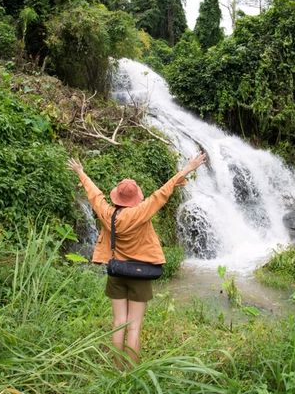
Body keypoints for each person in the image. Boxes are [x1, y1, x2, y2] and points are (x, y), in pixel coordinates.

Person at [67, 152, 207, 365]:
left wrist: (81, 173)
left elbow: (95, 196)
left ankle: (117, 367)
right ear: (136, 198)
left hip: (116, 272)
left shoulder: (107, 213)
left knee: (118, 323)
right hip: (140, 273)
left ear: (116, 197)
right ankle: (132, 372)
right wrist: (188, 168)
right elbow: (163, 193)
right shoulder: (140, 212)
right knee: (134, 326)